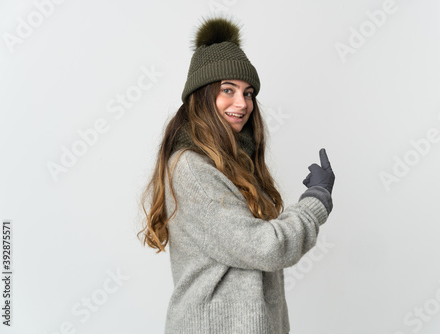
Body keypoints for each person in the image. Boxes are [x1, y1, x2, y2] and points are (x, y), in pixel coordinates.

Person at [137, 16, 335, 334]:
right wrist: (315, 202)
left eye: (249, 93)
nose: (241, 103)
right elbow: (265, 248)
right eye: (228, 90)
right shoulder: (193, 169)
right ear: (202, 95)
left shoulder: (231, 166)